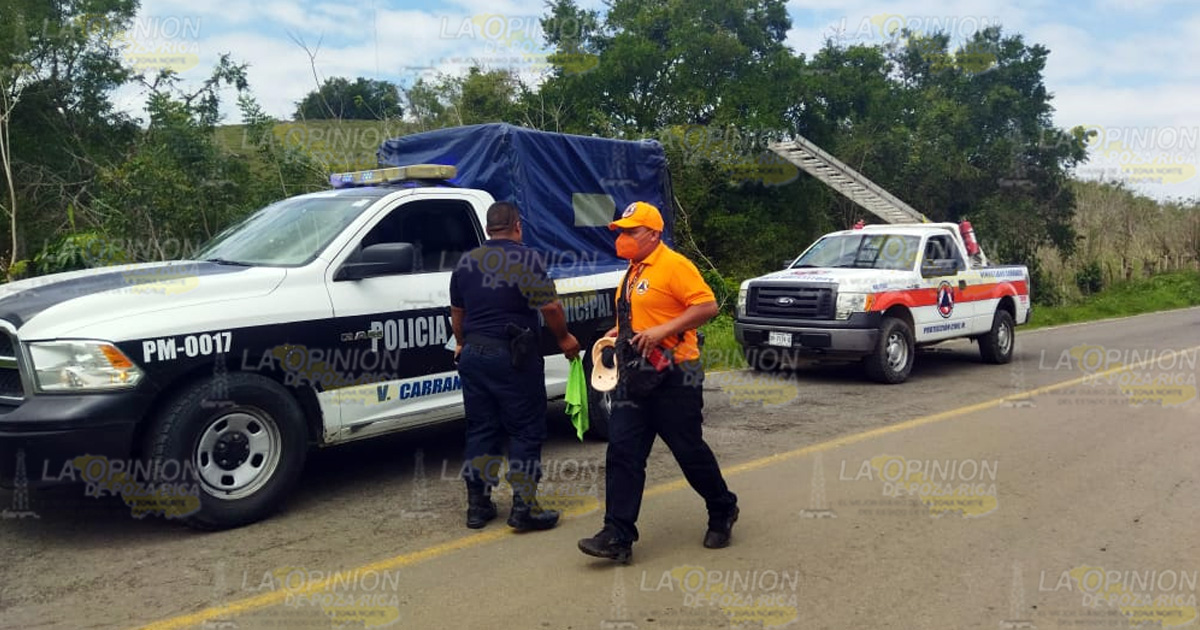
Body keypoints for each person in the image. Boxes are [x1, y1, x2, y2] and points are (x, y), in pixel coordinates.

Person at [578, 201, 738, 563]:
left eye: (631, 231)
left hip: (675, 375)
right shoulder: (632, 272)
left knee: (688, 450)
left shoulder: (674, 265)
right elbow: (644, 313)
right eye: (620, 231)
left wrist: (663, 330)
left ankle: (722, 508)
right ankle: (617, 534)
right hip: (637, 376)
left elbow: (706, 306)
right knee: (623, 451)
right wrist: (621, 331)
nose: (623, 237)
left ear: (653, 233)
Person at [449, 201, 581, 531]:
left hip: (474, 355)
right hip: (513, 356)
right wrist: (564, 338)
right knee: (524, 428)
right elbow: (550, 306)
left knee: (481, 429)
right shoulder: (526, 257)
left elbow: (457, 312)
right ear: (517, 226)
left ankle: (478, 507)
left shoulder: (465, 262)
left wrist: (462, 344)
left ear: (488, 227)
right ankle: (525, 509)